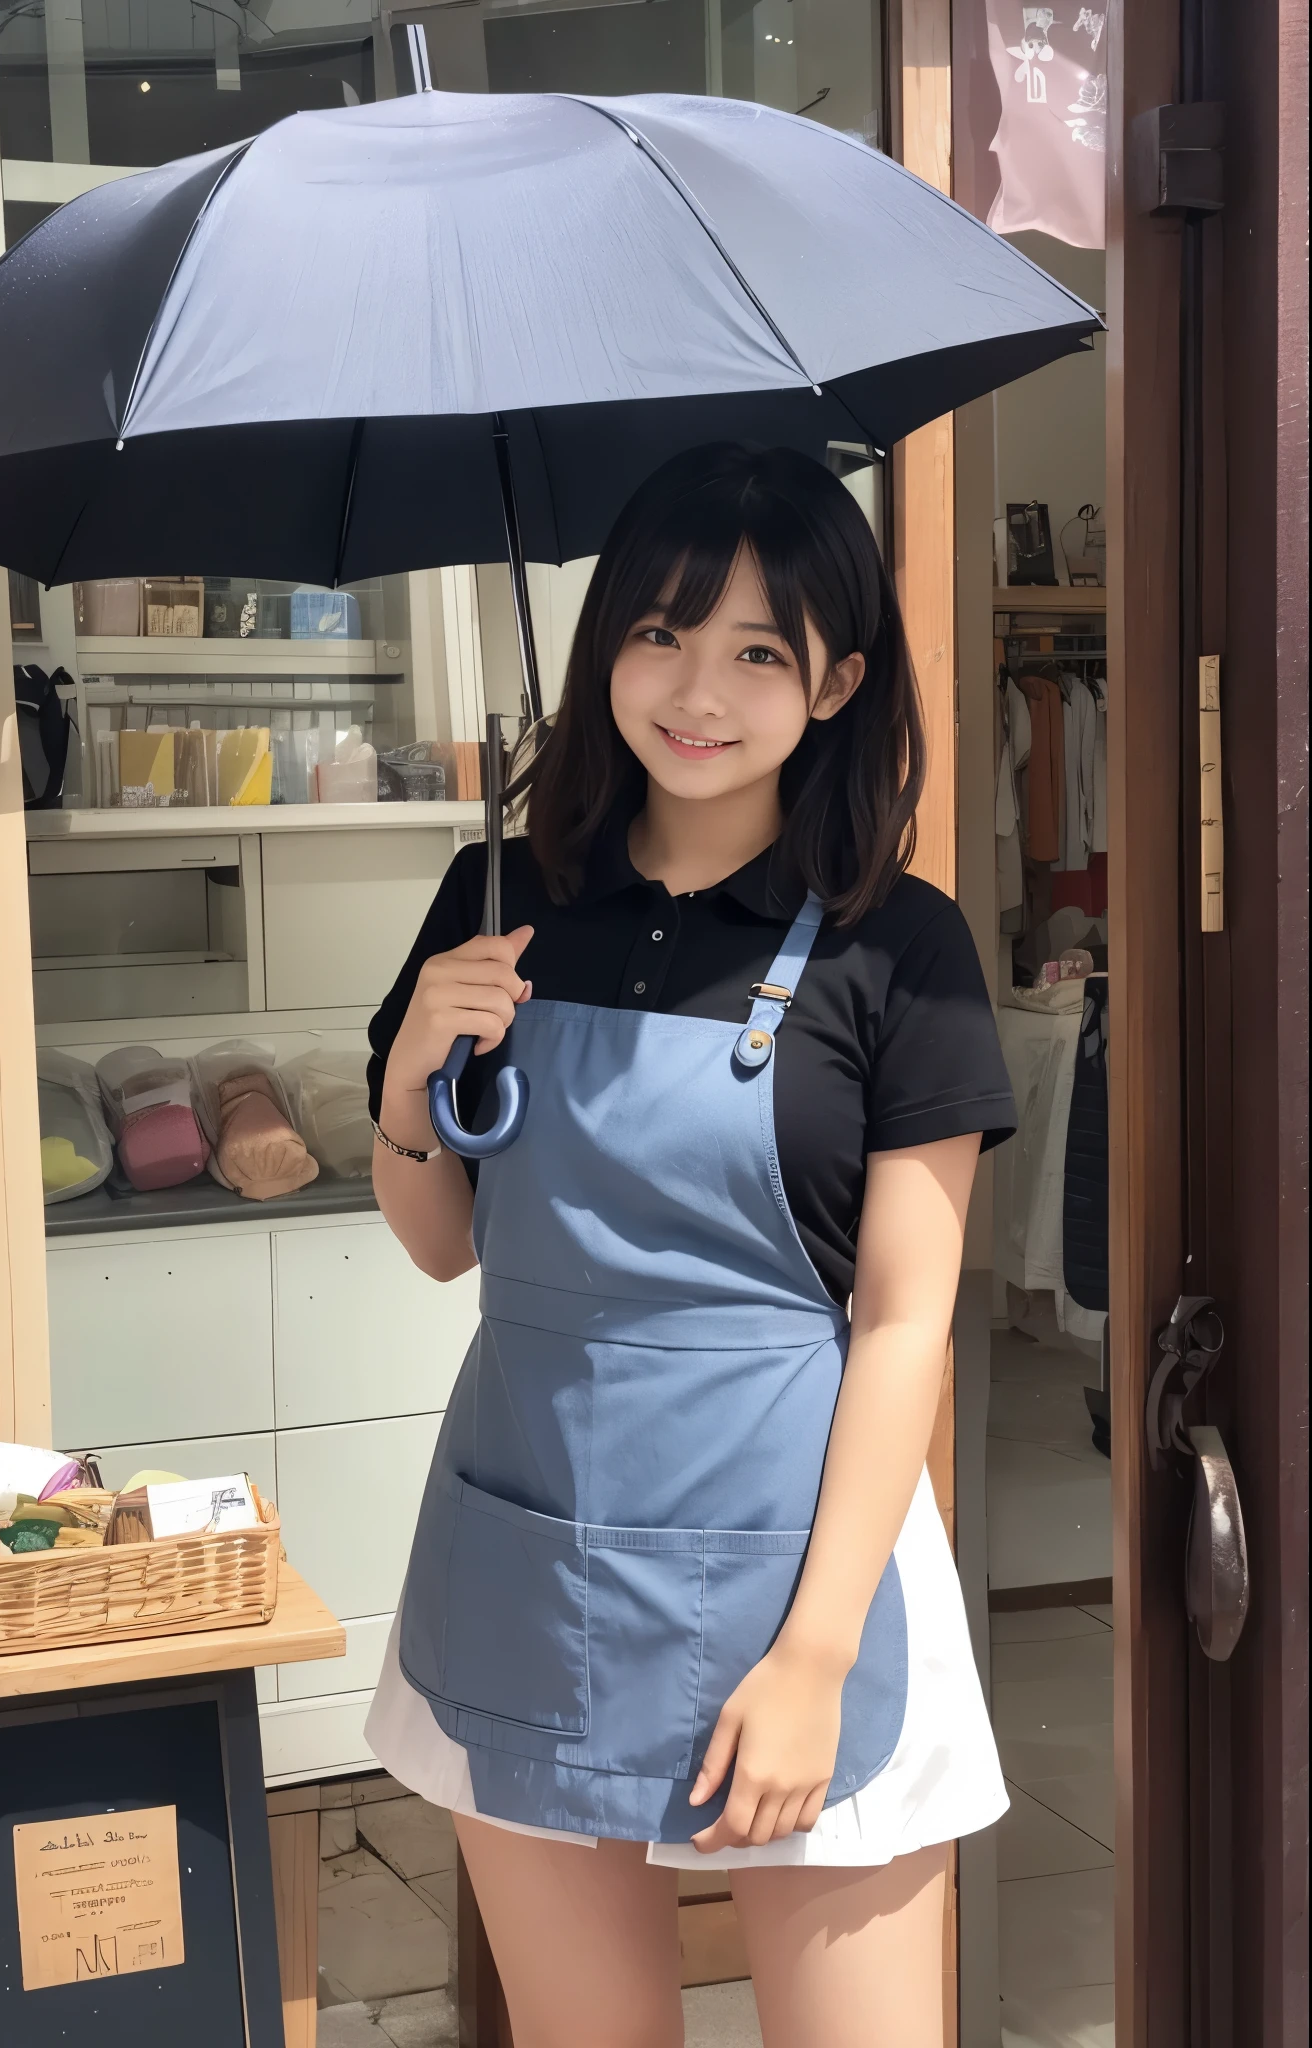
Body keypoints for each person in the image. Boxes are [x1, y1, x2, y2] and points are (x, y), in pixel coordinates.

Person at [363, 443, 1017, 2048]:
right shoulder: (503, 899)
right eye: (659, 634)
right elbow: (445, 1246)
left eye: (758, 652)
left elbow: (903, 1321)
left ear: (839, 680)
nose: (697, 690)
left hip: (800, 1577)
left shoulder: (896, 947)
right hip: (527, 1555)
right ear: (604, 653)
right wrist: (406, 1082)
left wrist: (814, 1653)